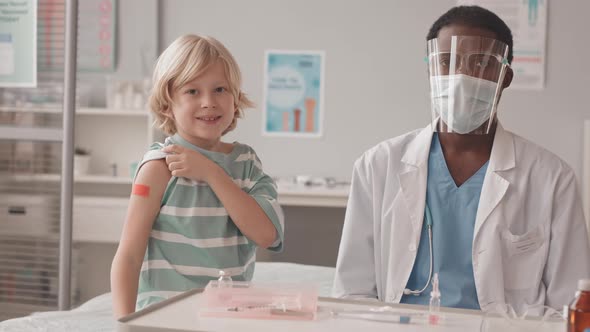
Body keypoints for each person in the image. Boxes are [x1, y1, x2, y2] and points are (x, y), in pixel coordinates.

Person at [333, 5, 590, 314]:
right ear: (430, 71)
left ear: (505, 76)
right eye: (446, 61)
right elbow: (352, 293)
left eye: (482, 63)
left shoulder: (551, 177)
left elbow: (571, 304)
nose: (462, 76)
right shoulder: (378, 165)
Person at [111, 35, 284, 318]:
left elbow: (266, 235)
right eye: (192, 91)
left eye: (220, 89)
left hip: (229, 317)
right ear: (167, 103)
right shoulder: (158, 168)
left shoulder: (246, 163)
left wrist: (212, 174)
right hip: (166, 318)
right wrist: (124, 324)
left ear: (235, 98)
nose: (208, 102)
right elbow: (128, 258)